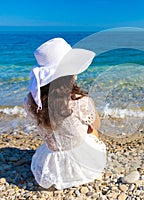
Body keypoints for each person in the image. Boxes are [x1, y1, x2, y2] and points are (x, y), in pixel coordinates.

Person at [24, 38, 106, 190]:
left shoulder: (31, 101)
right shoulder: (79, 101)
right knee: (91, 128)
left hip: (50, 162)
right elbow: (96, 126)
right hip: (82, 163)